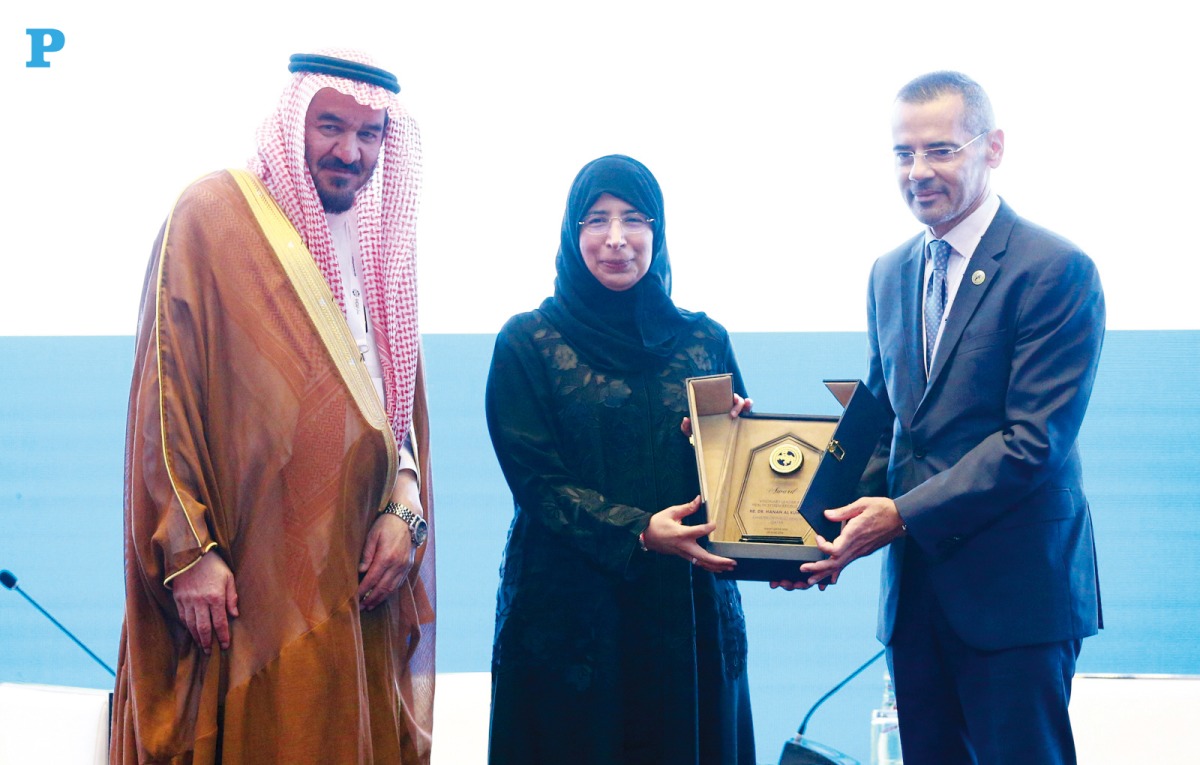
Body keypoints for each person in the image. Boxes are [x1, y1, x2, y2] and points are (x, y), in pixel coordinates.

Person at [110, 50, 436, 764]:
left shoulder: (380, 245)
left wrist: (405, 506)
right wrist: (188, 551)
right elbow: (166, 396)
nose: (349, 152)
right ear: (293, 122)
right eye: (330, 126)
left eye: (370, 134)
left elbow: (393, 405)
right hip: (245, 577)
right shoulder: (215, 218)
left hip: (353, 581)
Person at [788, 71, 1106, 764]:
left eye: (940, 150)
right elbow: (882, 420)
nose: (918, 171)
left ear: (992, 148)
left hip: (1016, 597)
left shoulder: (1055, 269)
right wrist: (807, 534)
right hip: (917, 598)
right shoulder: (888, 271)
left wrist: (899, 514)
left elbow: (1032, 442)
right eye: (903, 154)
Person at [485, 155, 756, 765]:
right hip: (570, 616)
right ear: (570, 233)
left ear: (657, 233)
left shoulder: (703, 339)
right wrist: (638, 530)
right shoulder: (527, 342)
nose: (615, 239)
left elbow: (728, 482)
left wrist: (727, 446)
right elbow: (538, 484)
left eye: (634, 219)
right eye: (595, 220)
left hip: (685, 612)